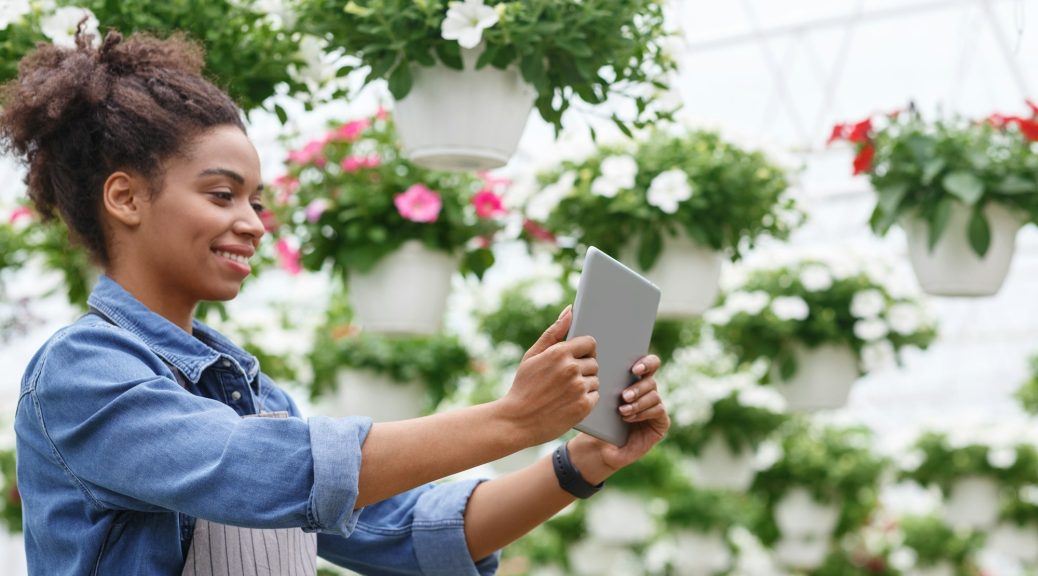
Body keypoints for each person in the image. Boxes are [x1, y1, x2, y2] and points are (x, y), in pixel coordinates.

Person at [1, 28, 670, 576]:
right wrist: (515, 418)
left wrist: (580, 461)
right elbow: (265, 476)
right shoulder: (83, 373)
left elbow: (409, 535)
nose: (255, 222)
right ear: (126, 198)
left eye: (257, 201)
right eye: (222, 194)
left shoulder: (259, 401)